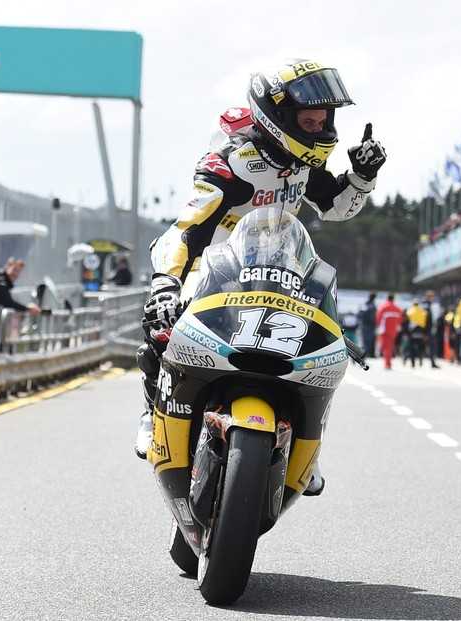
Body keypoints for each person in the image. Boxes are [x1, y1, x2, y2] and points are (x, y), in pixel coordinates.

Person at [134, 59, 388, 499]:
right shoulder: (229, 164)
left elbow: (334, 208)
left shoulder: (301, 163)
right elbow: (185, 231)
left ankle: (302, 440)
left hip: (274, 273)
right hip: (211, 272)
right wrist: (164, 284)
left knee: (315, 356)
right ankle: (152, 410)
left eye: (324, 120)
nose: (320, 129)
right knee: (162, 330)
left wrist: (362, 179)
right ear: (279, 118)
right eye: (309, 120)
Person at [376, 293, 404, 370]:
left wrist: (379, 327)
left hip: (384, 331)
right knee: (390, 347)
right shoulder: (398, 308)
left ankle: (387, 363)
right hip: (394, 331)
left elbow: (378, 318)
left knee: (385, 347)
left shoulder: (383, 307)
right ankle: (388, 362)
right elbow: (401, 319)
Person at [404, 298, 428, 368]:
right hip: (421, 333)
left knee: (411, 349)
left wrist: (406, 334)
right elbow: (427, 323)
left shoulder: (409, 312)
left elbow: (405, 323)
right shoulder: (423, 312)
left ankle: (413, 363)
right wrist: (426, 334)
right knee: (420, 348)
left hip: (412, 333)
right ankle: (420, 360)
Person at [422, 290, 440, 368]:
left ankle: (432, 362)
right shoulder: (426, 306)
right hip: (428, 331)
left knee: (432, 347)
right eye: (432, 296)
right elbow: (426, 320)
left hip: (431, 330)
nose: (433, 298)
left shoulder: (431, 305)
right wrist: (425, 332)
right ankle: (431, 362)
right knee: (430, 347)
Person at [358, 291, 377, 358]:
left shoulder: (364, 304)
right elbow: (374, 317)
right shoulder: (373, 306)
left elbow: (359, 314)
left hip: (363, 325)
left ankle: (360, 352)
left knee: (364, 341)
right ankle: (361, 354)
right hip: (370, 326)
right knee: (368, 341)